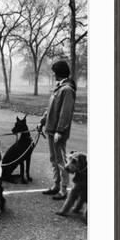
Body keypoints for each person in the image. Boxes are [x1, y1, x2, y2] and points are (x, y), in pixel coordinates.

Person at [38, 59, 77, 202]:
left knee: (61, 160)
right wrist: (42, 121)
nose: (53, 75)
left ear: (59, 73)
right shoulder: (59, 88)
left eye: (55, 72)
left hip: (57, 132)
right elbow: (51, 109)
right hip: (51, 130)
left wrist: (59, 131)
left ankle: (63, 189)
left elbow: (65, 113)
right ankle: (56, 185)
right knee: (53, 159)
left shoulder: (67, 90)